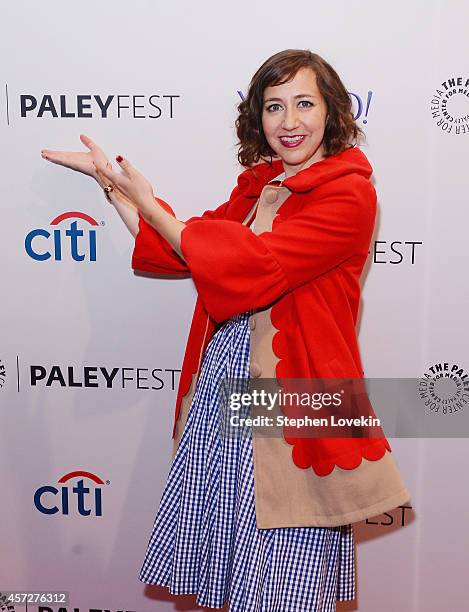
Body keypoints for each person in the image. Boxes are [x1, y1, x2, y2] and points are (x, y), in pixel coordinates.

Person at [41, 48, 410, 612]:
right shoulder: (257, 188)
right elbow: (185, 250)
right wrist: (113, 185)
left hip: (292, 401)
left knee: (285, 572)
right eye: (273, 107)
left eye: (304, 104)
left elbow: (249, 265)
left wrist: (147, 198)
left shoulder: (349, 192)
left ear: (333, 113)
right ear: (257, 119)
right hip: (225, 386)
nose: (289, 122)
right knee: (236, 575)